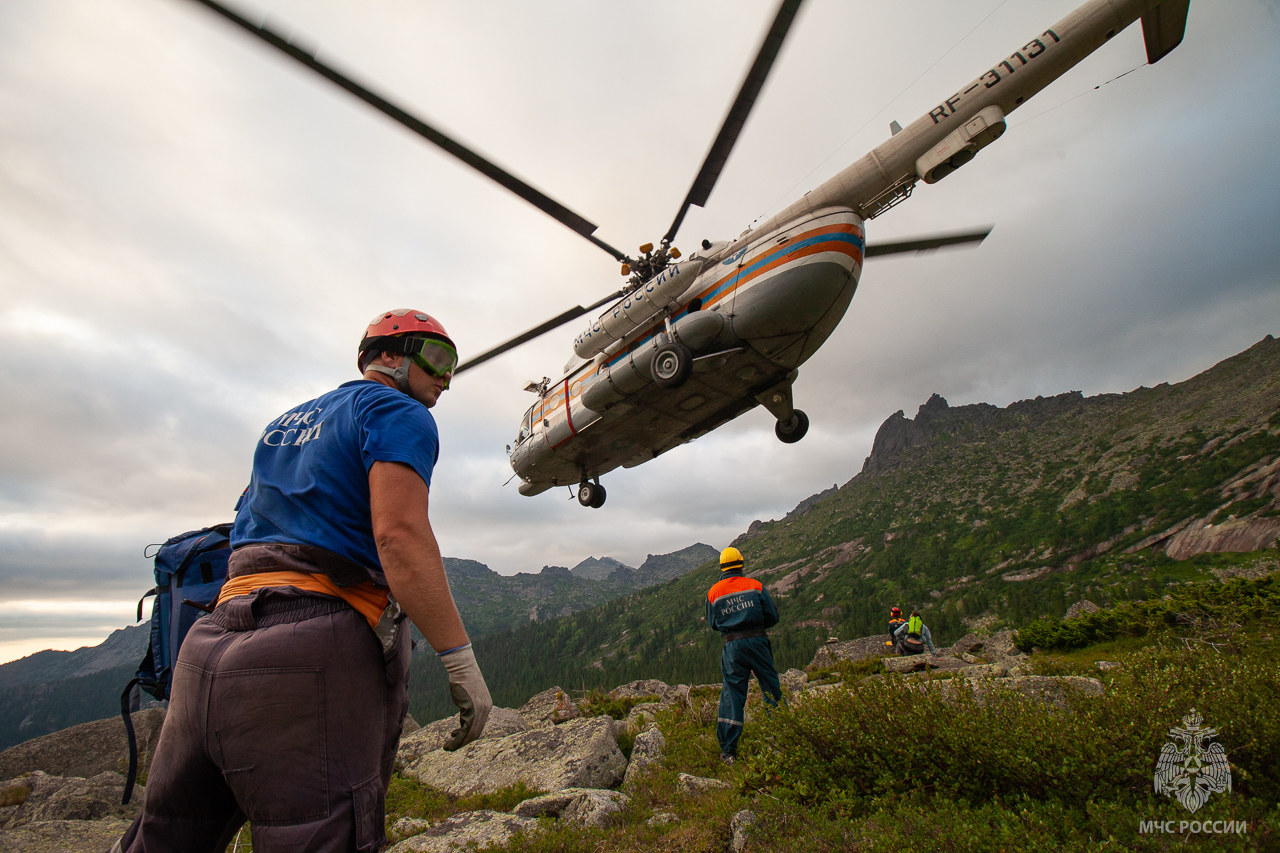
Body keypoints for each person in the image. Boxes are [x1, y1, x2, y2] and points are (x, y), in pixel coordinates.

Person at [117, 309, 492, 853]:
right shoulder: (396, 409)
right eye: (437, 358)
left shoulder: (281, 425)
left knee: (165, 839)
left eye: (453, 365)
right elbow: (399, 536)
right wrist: (459, 661)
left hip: (206, 650)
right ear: (386, 356)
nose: (445, 378)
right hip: (310, 651)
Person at [706, 546, 782, 764]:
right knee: (770, 687)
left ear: (722, 566)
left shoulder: (714, 592)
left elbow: (713, 624)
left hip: (732, 646)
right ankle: (782, 737)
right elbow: (772, 616)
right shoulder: (755, 586)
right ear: (741, 564)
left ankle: (729, 751)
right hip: (758, 641)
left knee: (732, 694)